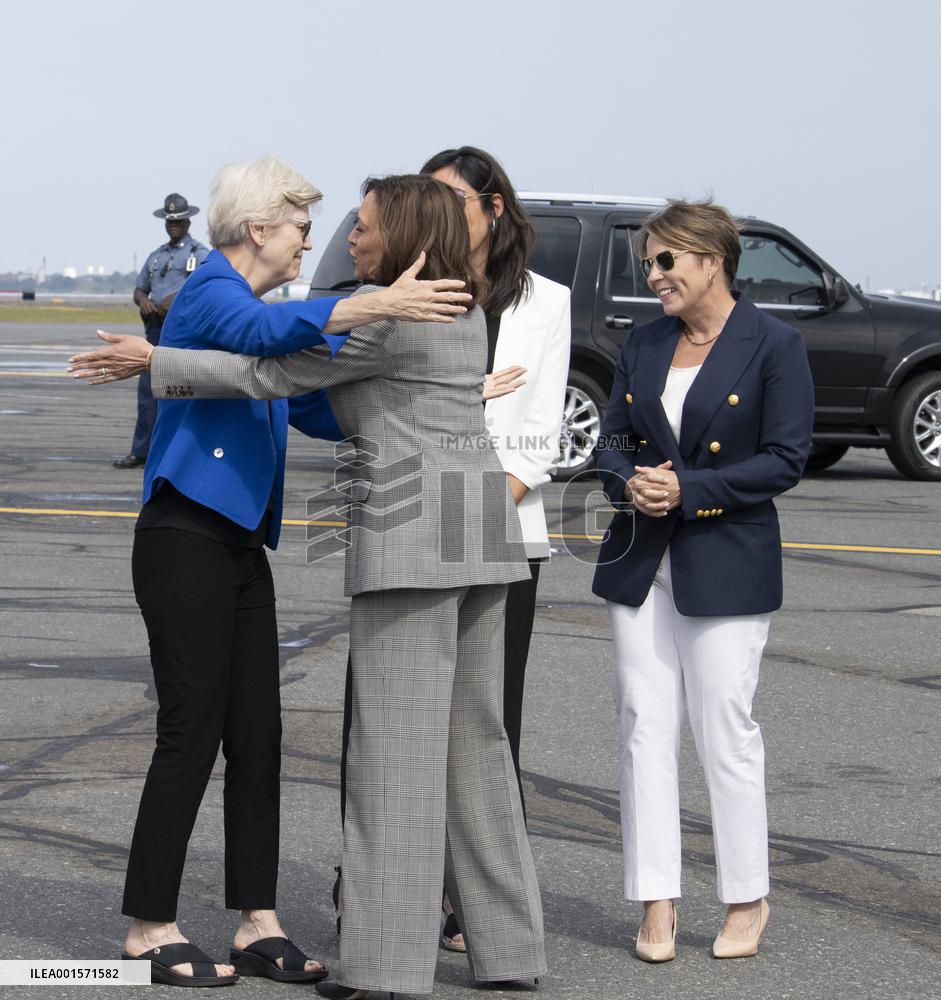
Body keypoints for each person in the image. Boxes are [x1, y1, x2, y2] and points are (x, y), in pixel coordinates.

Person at [80, 174, 548, 999]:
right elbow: (340, 396)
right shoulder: (463, 310)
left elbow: (271, 377)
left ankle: (386, 966)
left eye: (360, 229)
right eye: (323, 226)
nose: (342, 242)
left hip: (416, 544)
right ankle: (508, 952)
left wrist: (156, 361)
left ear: (401, 236)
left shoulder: (394, 315)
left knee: (393, 757)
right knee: (477, 748)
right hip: (478, 535)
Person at [591, 198, 813, 962]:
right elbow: (611, 438)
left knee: (725, 727)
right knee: (642, 727)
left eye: (664, 261)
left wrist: (691, 488)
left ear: (710, 259)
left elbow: (785, 458)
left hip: (725, 559)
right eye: (647, 263)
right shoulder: (645, 343)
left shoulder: (773, 344)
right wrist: (630, 483)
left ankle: (746, 895)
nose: (651, 276)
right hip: (639, 557)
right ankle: (656, 901)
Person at [114, 193, 210, 468]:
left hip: (182, 330)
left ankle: (181, 455)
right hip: (155, 330)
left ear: (188, 221)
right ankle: (142, 451)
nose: (174, 225)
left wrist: (176, 299)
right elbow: (139, 287)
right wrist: (143, 300)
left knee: (181, 392)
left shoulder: (199, 254)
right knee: (148, 394)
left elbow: (205, 288)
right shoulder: (156, 256)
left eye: (179, 220)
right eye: (170, 221)